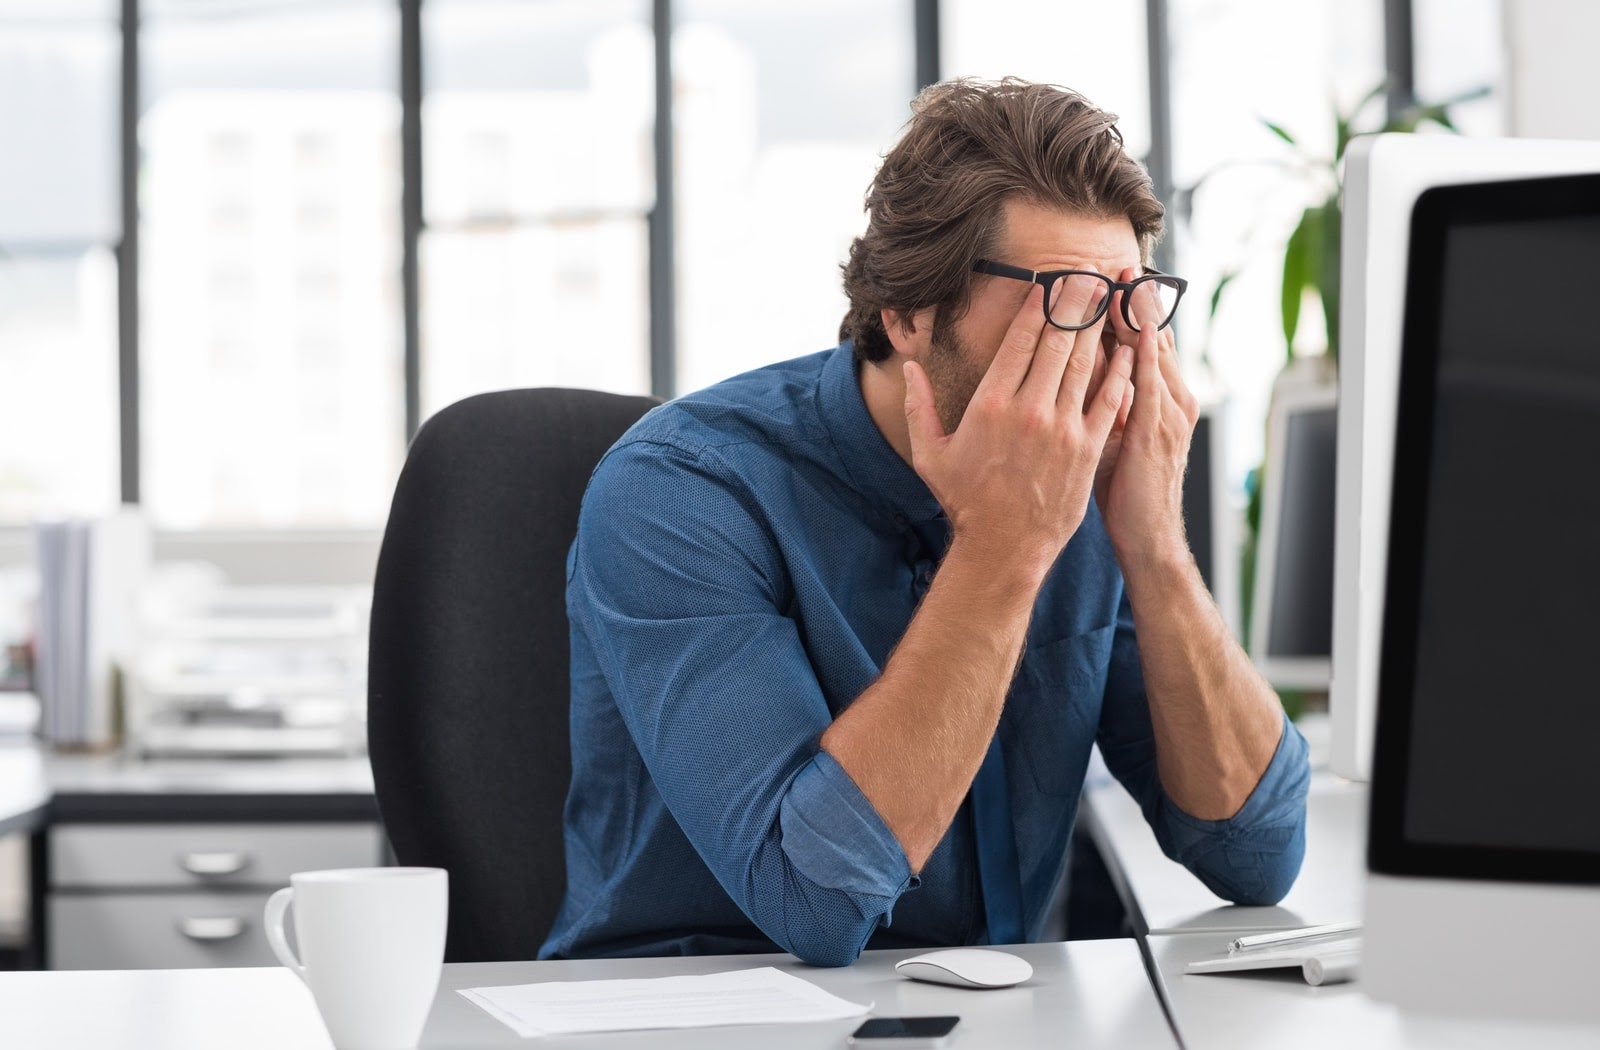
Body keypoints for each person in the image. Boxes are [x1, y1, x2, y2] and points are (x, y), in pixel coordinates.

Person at [540, 78, 1309, 967]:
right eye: (1064, 301)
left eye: (1127, 306)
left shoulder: (1093, 484)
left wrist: (1155, 546)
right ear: (908, 312)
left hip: (999, 1014)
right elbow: (815, 904)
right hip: (699, 1012)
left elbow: (1257, 854)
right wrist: (1005, 547)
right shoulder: (681, 492)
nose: (1102, 357)